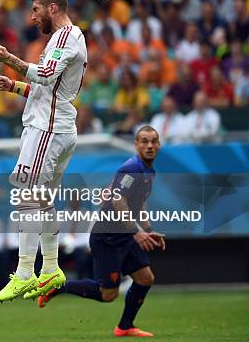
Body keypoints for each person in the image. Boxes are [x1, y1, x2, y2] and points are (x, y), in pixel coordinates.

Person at [0, 0, 87, 301]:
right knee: (42, 201)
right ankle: (51, 270)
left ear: (53, 8)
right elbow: (49, 90)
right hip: (57, 126)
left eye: (35, 10)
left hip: (47, 130)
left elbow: (44, 74)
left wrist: (9, 59)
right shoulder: (68, 38)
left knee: (27, 198)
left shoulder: (64, 37)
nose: (32, 17)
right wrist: (16, 87)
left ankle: (25, 273)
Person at [37, 126, 165, 338]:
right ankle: (56, 285)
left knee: (145, 278)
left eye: (153, 141)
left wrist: (149, 230)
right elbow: (117, 200)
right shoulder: (132, 169)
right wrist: (136, 232)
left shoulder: (149, 172)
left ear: (159, 145)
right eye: (144, 141)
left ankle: (124, 327)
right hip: (108, 238)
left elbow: (139, 205)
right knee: (108, 294)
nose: (149, 146)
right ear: (136, 145)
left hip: (124, 235)